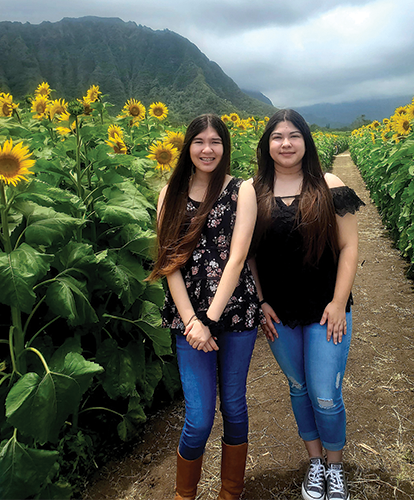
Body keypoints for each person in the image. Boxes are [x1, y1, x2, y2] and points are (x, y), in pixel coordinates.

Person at [250, 109, 364, 500]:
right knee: (298, 387)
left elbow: (349, 247)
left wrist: (337, 302)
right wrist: (261, 300)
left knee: (326, 395)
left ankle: (335, 466)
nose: (285, 143)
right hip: (279, 311)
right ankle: (315, 462)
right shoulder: (253, 192)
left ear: (306, 141)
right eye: (277, 136)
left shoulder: (329, 185)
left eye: (293, 135)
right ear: (267, 144)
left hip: (324, 308)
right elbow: (247, 255)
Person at [147, 114, 259, 500]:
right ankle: (185, 495)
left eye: (215, 142)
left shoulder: (241, 190)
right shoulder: (169, 194)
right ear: (187, 147)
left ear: (225, 147)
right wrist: (193, 320)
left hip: (235, 312)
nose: (207, 149)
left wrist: (210, 319)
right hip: (189, 321)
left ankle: (231, 492)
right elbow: (169, 262)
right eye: (199, 141)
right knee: (197, 419)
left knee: (233, 404)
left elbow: (238, 257)